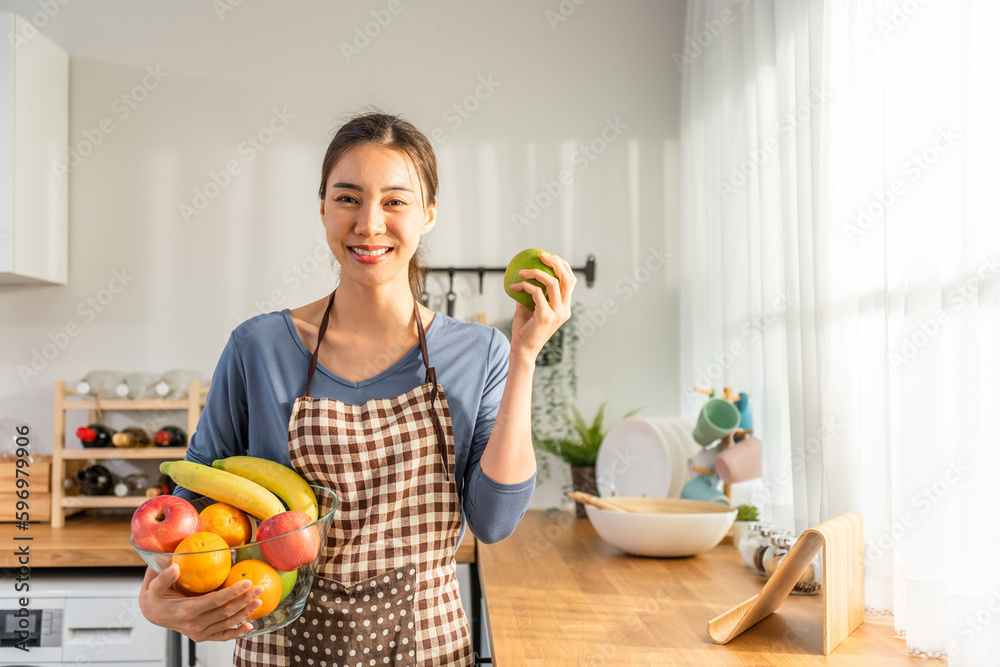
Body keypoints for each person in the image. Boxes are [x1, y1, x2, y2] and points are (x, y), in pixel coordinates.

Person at [138, 111, 576, 665]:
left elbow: (493, 522)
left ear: (428, 216)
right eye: (348, 198)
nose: (369, 223)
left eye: (395, 201)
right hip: (279, 647)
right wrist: (162, 599)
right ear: (322, 208)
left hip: (427, 651)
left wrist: (525, 355)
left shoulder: (480, 352)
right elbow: (190, 504)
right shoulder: (257, 348)